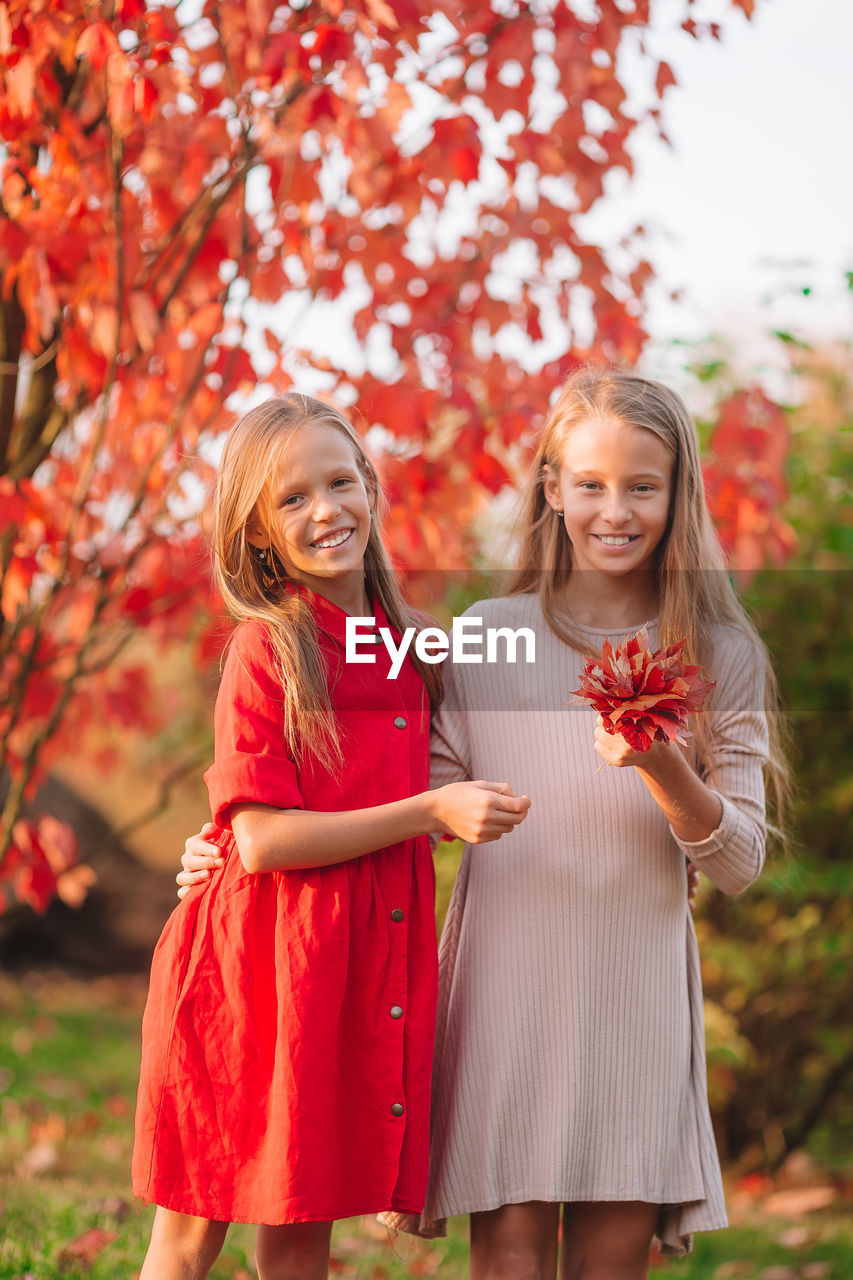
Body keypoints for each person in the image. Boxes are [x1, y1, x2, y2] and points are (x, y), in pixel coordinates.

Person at [179, 370, 787, 1279]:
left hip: (634, 996)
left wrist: (660, 764)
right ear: (551, 488)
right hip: (504, 992)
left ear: (677, 493)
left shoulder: (718, 653)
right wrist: (231, 843)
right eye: (587, 484)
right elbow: (379, 786)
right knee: (505, 1261)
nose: (612, 510)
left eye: (640, 486)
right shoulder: (481, 639)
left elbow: (737, 858)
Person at [132, 393, 530, 1280]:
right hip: (254, 967)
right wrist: (430, 814)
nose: (326, 511)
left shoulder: (408, 646)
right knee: (192, 1229)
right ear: (260, 534)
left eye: (339, 482)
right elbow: (266, 840)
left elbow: (515, 686)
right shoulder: (269, 647)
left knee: (303, 1222)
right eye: (293, 499)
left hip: (350, 970)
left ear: (371, 489)